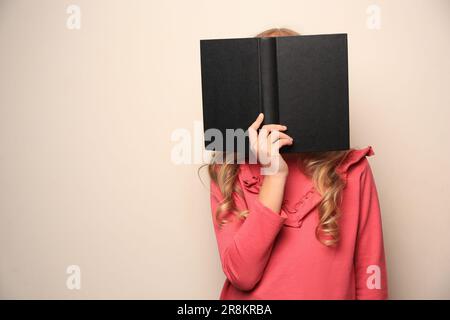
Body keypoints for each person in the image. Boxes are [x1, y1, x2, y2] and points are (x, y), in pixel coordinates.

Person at [206, 28, 388, 300]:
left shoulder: (352, 169)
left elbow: (370, 273)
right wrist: (274, 175)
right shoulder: (228, 172)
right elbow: (241, 274)